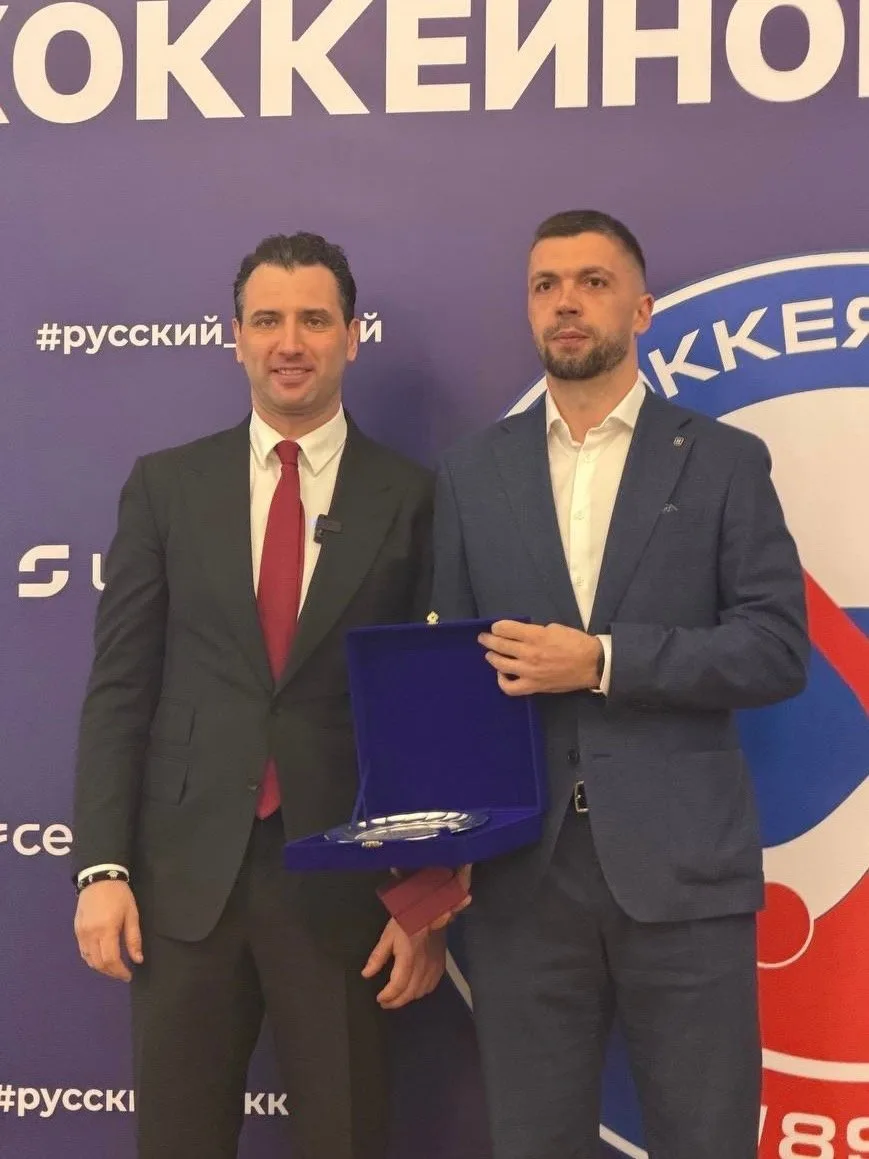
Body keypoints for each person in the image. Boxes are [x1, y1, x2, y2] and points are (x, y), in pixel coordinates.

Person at [432, 209, 809, 1159]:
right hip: (522, 879)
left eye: (592, 282)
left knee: (705, 1137)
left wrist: (603, 661)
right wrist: (436, 865)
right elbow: (446, 680)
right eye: (545, 285)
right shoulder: (471, 473)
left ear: (640, 309)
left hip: (683, 874)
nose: (566, 302)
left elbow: (774, 648)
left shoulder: (722, 461)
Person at [72, 232, 444, 1159]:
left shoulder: (411, 495)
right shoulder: (166, 486)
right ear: (235, 336)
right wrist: (102, 867)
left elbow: (430, 711)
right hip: (182, 885)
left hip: (346, 888)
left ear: (351, 336)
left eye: (314, 319)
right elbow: (120, 690)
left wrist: (427, 893)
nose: (290, 342)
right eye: (267, 319)